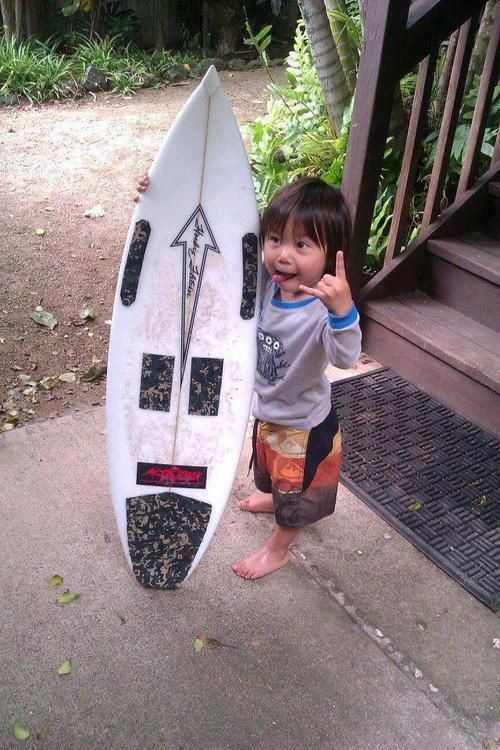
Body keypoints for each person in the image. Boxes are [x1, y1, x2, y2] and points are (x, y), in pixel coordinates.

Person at [135, 175, 362, 581]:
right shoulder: (266, 287)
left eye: (302, 245)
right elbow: (214, 246)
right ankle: (270, 496)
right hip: (267, 409)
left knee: (293, 495)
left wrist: (343, 311)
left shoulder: (321, 311)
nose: (283, 255)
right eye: (275, 239)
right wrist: (162, 198)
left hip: (303, 425)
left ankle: (279, 548)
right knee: (267, 469)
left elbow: (346, 356)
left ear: (331, 256)